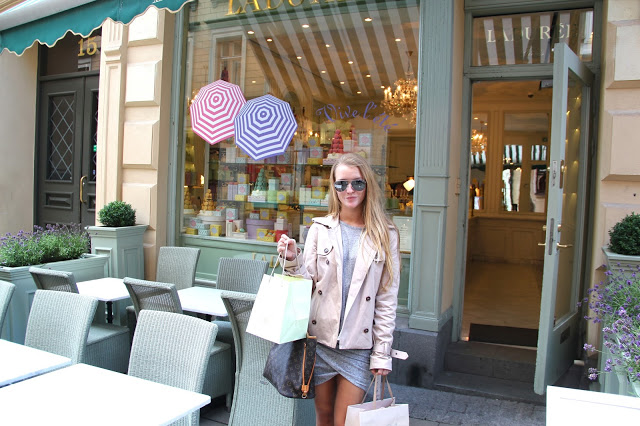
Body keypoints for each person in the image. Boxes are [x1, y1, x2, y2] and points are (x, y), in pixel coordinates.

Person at [277, 153, 401, 426]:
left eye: (357, 183)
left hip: (358, 347)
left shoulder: (386, 234)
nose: (349, 190)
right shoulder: (320, 229)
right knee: (323, 416)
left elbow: (386, 299)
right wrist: (292, 259)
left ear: (367, 185)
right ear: (333, 187)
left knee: (345, 420)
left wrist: (382, 353)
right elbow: (307, 284)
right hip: (321, 340)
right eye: (342, 184)